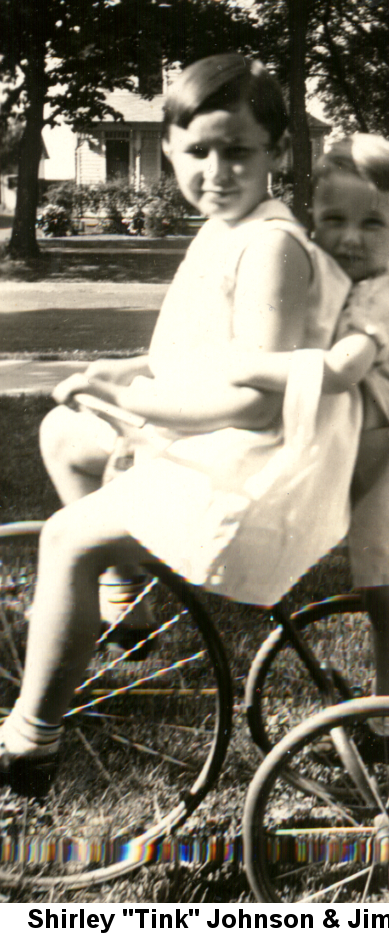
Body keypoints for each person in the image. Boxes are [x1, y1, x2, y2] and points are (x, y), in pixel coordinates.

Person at [0, 54, 363, 790]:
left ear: (277, 155)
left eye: (239, 152)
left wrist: (141, 405)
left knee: (68, 539)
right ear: (169, 149)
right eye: (198, 152)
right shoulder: (224, 227)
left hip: (252, 466)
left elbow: (261, 397)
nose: (217, 171)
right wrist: (126, 374)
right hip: (208, 441)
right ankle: (125, 611)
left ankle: (29, 741)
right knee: (67, 434)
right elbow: (204, 355)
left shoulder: (268, 245)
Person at [227, 134, 389, 738]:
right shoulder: (340, 285)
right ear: (313, 223)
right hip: (373, 451)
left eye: (372, 224)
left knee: (388, 607)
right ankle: (386, 720)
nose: (350, 237)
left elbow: (338, 370)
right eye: (334, 219)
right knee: (378, 593)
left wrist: (245, 364)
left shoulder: (380, 300)